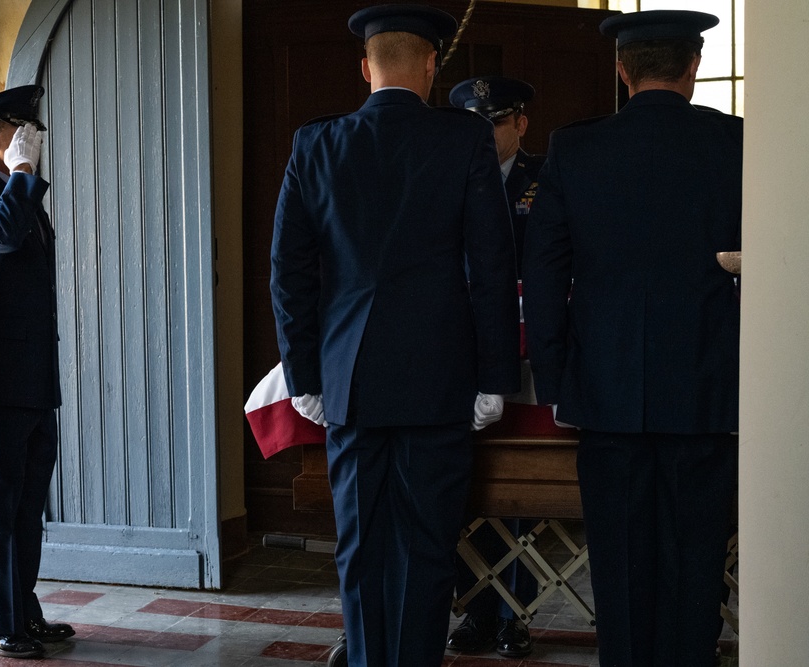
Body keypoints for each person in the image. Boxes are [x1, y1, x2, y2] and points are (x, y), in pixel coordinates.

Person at [270, 4, 522, 665]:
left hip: (347, 378)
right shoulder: (463, 140)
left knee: (359, 543)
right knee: (426, 545)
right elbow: (491, 267)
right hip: (439, 375)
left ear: (365, 68)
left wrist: (304, 377)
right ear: (432, 66)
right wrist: (494, 376)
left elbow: (289, 273)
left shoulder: (315, 143)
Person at [521, 10, 741, 666]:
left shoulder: (575, 148)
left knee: (619, 567)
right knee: (696, 562)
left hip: (606, 391)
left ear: (622, 71)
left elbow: (544, 269)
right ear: (694, 67)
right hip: (707, 387)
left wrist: (559, 383)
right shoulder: (737, 143)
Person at [0, 85, 75, 659]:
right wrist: (23, 172)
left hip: (31, 378)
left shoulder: (24, 199)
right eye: (20, 133)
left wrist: (24, 179)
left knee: (29, 506)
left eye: (35, 133)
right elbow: (0, 235)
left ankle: (22, 612)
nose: (33, 141)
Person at [445, 75, 545, 659]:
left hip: (527, 352)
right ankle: (477, 611)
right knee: (471, 491)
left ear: (520, 124)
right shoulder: (449, 175)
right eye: (475, 126)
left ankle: (516, 614)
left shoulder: (546, 180)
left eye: (497, 123)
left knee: (522, 491)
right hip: (466, 350)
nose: (486, 136)